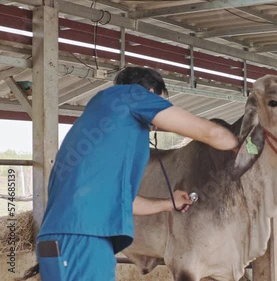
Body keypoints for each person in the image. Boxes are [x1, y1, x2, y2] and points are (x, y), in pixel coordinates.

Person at [31, 67, 239, 280]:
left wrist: (169, 203)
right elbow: (208, 132)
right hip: (83, 239)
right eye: (159, 101)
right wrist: (240, 146)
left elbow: (125, 203)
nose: (154, 126)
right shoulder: (132, 95)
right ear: (150, 92)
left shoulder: (101, 124)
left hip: (66, 239)